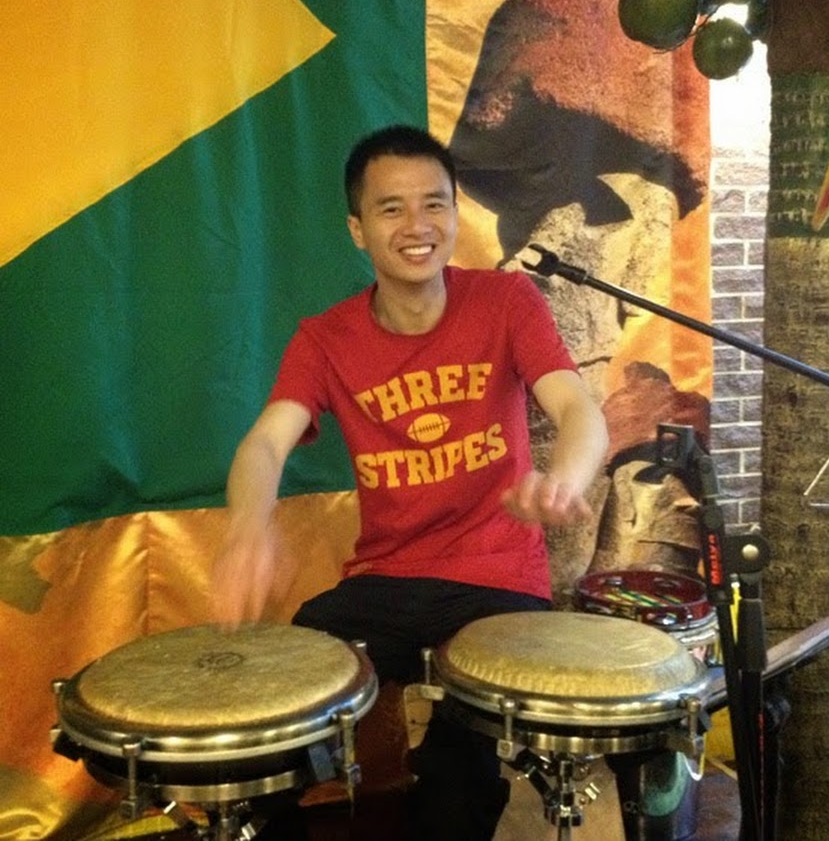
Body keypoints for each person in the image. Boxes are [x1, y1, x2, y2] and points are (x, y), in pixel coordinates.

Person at [212, 124, 609, 840]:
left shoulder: (506, 301)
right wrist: (247, 527)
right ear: (358, 230)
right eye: (391, 208)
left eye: (434, 203)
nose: (417, 225)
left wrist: (563, 479)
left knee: (459, 782)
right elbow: (265, 444)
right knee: (273, 729)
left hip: (497, 581)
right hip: (385, 580)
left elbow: (578, 409)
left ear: (456, 214)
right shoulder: (324, 338)